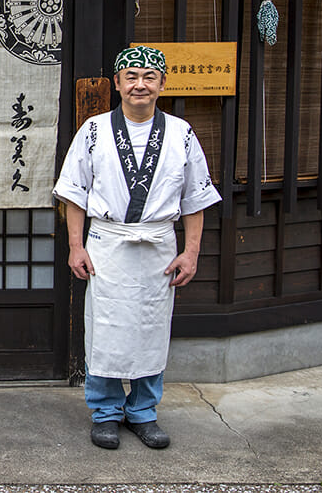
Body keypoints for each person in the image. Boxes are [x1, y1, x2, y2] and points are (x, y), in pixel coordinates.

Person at [52, 45, 221, 450]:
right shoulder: (93, 130)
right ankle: (106, 412)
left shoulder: (181, 133)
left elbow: (195, 197)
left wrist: (191, 251)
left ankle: (144, 412)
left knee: (151, 329)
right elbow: (74, 194)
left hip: (158, 244)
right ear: (117, 83)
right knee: (105, 331)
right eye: (131, 76)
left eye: (149, 76)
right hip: (108, 243)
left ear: (163, 83)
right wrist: (76, 246)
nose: (139, 85)